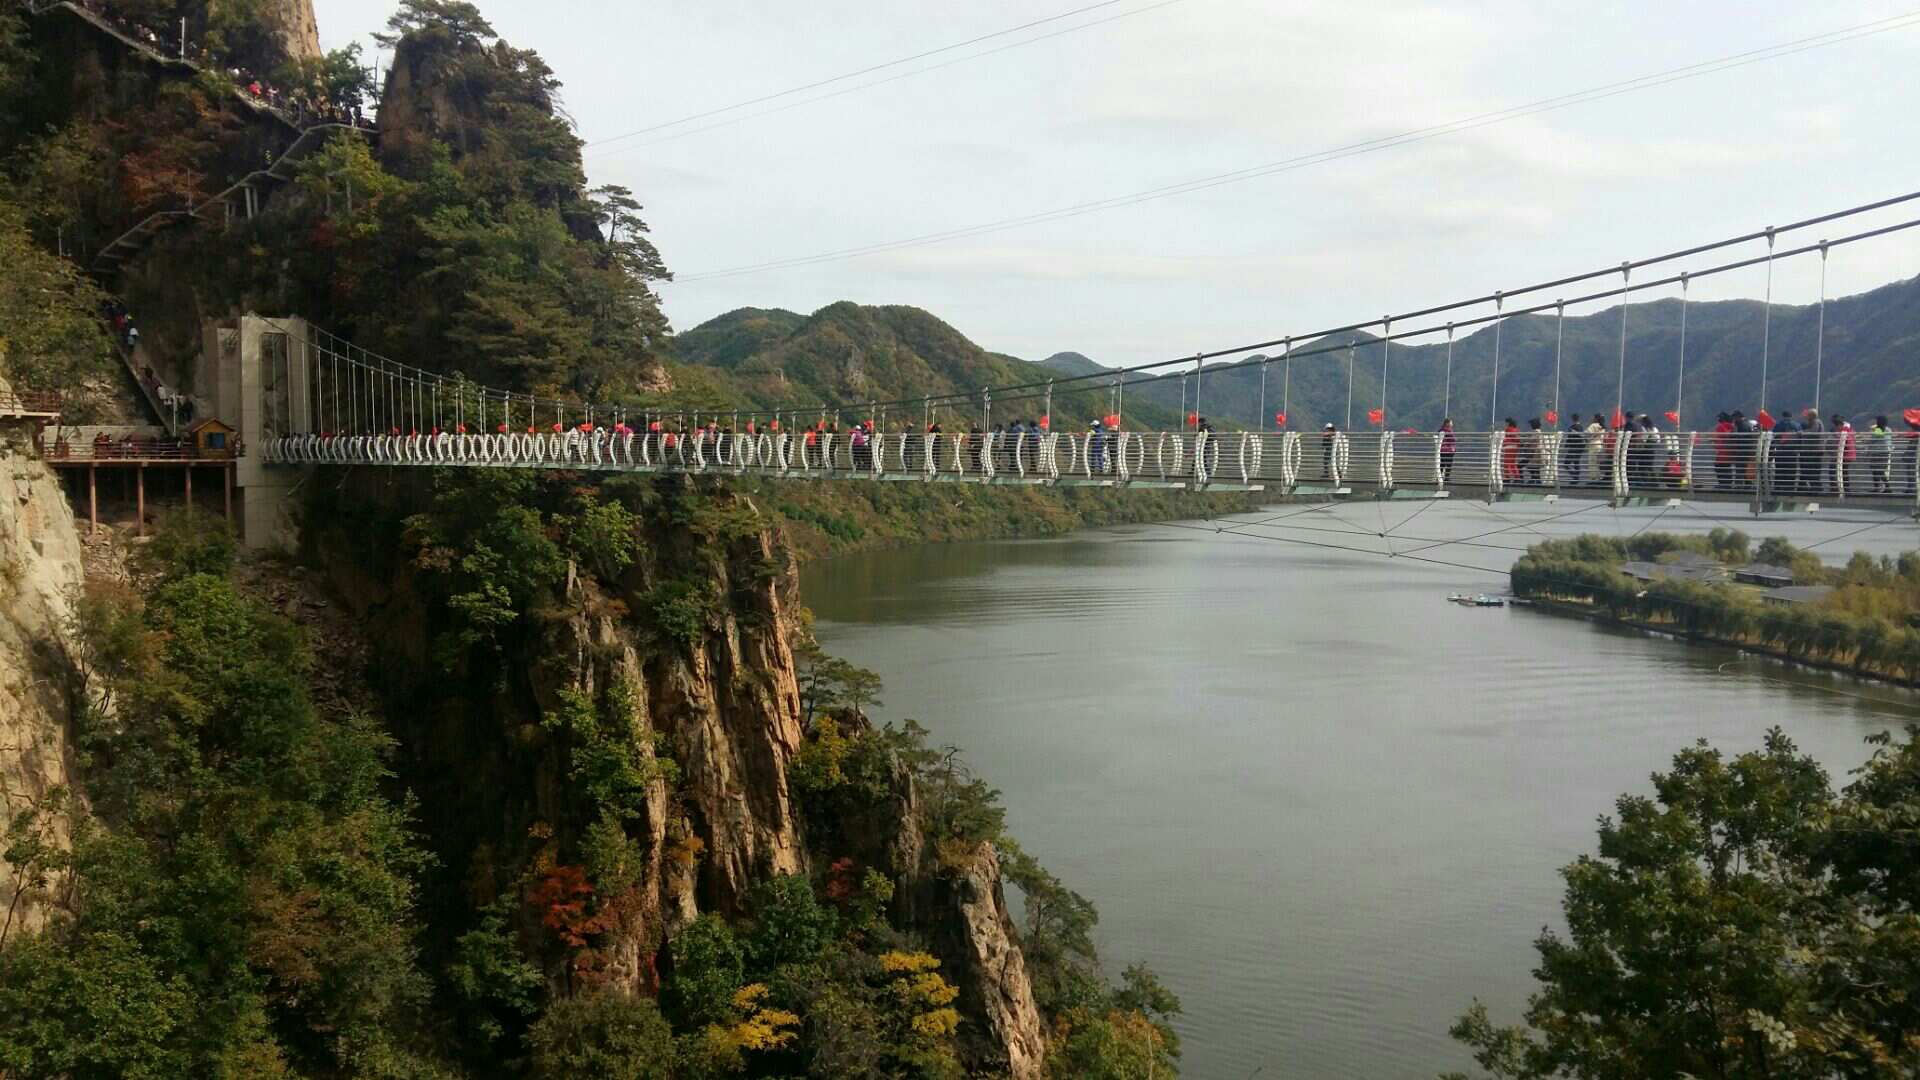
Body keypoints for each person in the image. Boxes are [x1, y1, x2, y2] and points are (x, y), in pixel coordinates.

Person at [1868, 416, 1893, 494]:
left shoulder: (1878, 429)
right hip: (1886, 452)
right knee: (1880, 470)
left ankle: (1881, 487)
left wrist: (1866, 444)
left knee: (1876, 470)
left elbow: (1873, 439)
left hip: (1877, 452)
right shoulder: (1888, 429)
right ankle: (1886, 487)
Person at [1439, 419, 1456, 484]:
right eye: (1451, 422)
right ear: (1447, 423)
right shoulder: (1448, 430)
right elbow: (1452, 439)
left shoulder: (1441, 430)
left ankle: (1440, 477)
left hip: (1442, 450)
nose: (1452, 423)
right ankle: (1446, 478)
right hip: (1448, 450)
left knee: (1442, 464)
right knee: (1449, 464)